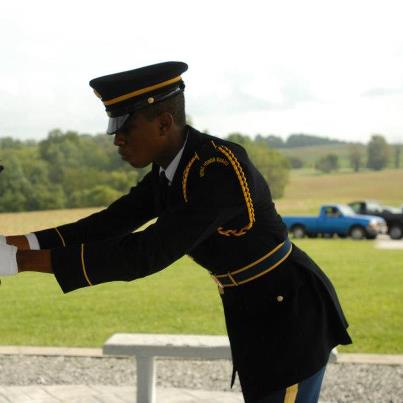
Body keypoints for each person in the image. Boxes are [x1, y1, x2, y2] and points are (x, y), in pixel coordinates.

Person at [0, 61, 352, 402]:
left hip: (290, 310)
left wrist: (21, 261)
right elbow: (110, 223)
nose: (117, 140)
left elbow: (146, 253)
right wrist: (16, 243)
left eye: (124, 128)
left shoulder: (217, 169)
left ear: (164, 123)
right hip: (258, 308)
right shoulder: (171, 169)